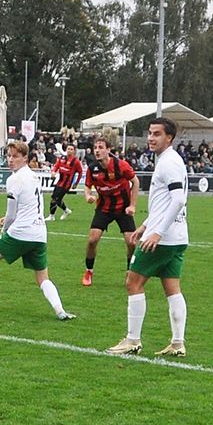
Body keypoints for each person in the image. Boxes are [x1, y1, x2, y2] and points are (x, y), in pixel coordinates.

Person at [106, 118, 189, 357]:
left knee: (133, 282)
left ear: (169, 138)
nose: (151, 138)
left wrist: (156, 232)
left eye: (157, 134)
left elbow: (178, 199)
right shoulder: (170, 160)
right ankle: (177, 342)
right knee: (173, 288)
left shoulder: (169, 163)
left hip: (163, 238)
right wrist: (144, 225)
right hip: (178, 236)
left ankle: (132, 340)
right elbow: (166, 202)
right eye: (150, 133)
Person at [0, 140, 76, 321]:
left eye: (15, 156)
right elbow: (27, 206)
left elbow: (11, 214)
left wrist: (4, 229)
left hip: (21, 232)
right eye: (8, 156)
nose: (10, 160)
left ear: (25, 158)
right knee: (43, 278)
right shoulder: (33, 176)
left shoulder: (14, 179)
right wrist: (10, 218)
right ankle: (60, 311)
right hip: (40, 233)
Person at [82, 137, 139, 286]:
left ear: (108, 150)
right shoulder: (92, 168)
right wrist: (88, 196)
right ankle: (89, 271)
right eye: (95, 148)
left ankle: (130, 272)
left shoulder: (121, 166)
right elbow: (87, 186)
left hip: (123, 208)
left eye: (101, 147)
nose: (97, 150)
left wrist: (132, 205)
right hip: (104, 208)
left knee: (132, 243)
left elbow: (135, 181)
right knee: (92, 240)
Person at [46, 144, 83, 221]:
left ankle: (52, 216)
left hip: (66, 184)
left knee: (54, 198)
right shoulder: (62, 158)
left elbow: (80, 172)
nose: (69, 150)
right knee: (57, 199)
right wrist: (53, 172)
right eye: (68, 148)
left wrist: (76, 183)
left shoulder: (76, 161)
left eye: (71, 149)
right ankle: (66, 211)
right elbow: (56, 166)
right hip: (59, 182)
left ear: (74, 151)